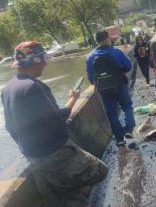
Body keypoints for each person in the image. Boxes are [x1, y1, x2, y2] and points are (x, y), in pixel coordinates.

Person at [2, 42, 108, 206]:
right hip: (55, 152)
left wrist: (27, 148)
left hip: (32, 155)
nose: (46, 63)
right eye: (43, 59)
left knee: (60, 200)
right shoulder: (32, 87)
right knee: (99, 170)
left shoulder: (8, 88)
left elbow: (10, 126)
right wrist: (72, 101)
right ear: (35, 61)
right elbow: (57, 119)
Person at [86, 30, 136, 147]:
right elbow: (128, 66)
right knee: (127, 106)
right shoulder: (116, 52)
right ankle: (128, 130)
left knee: (111, 114)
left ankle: (119, 139)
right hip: (119, 85)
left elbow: (90, 77)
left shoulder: (90, 57)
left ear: (96, 41)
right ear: (107, 38)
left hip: (104, 90)